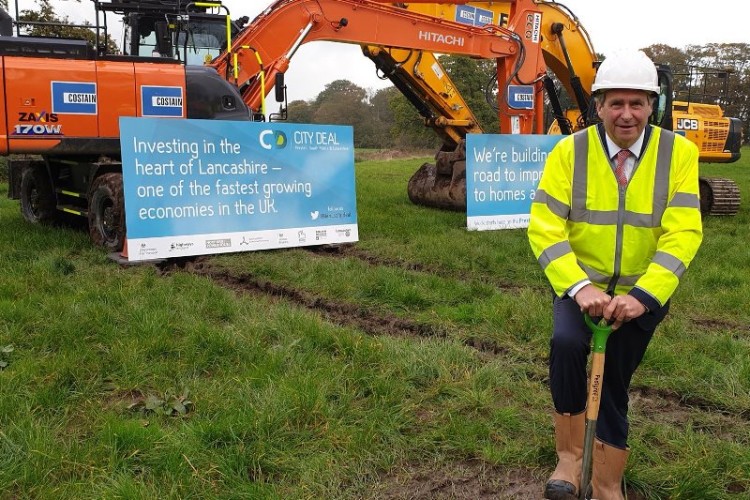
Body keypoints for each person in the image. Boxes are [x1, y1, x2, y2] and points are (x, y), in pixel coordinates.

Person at [528, 49, 703, 500]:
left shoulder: (679, 153)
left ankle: (606, 480)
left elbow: (683, 232)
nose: (627, 114)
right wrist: (579, 286)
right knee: (566, 346)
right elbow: (545, 226)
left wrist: (644, 296)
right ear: (599, 105)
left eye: (638, 103)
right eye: (616, 103)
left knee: (613, 383)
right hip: (580, 285)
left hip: (641, 294)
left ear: (653, 106)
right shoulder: (570, 151)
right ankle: (569, 458)